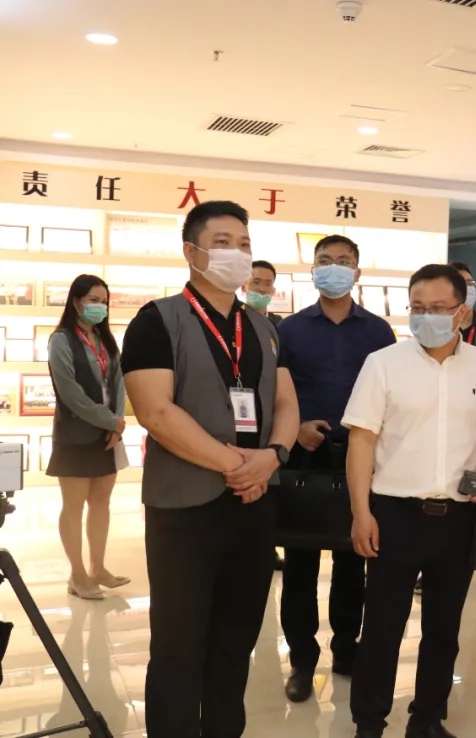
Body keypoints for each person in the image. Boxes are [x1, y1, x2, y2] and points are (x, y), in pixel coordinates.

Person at [121, 200, 300, 738]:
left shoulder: (264, 328)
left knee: (235, 640)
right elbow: (155, 411)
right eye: (222, 243)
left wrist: (272, 456)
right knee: (178, 645)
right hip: (184, 508)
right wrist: (236, 465)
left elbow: (286, 403)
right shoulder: (157, 320)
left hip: (253, 506)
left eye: (244, 244)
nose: (236, 253)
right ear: (192, 252)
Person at [344, 264, 476, 738]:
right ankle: (369, 723)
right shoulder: (383, 363)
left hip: (458, 518)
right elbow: (361, 441)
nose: (426, 317)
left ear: (461, 311)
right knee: (382, 627)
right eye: (417, 307)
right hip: (394, 515)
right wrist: (361, 512)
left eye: (438, 308)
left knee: (444, 628)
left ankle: (427, 719)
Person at [276, 235, 397, 703]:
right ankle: (302, 660)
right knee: (300, 564)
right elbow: (275, 391)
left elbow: (390, 395)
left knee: (353, 560)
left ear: (357, 272)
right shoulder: (289, 330)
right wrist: (297, 426)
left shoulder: (378, 332)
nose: (333, 268)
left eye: (343, 261)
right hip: (304, 457)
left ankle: (347, 650)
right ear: (312, 270)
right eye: (324, 261)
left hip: (358, 461)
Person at [414, 261, 476, 597]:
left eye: (470, 283)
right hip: (441, 427)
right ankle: (425, 569)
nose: (468, 287)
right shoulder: (399, 358)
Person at [46, 274, 129, 600]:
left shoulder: (105, 339)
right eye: (94, 300)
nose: (100, 306)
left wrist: (116, 423)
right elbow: (70, 393)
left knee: (101, 502)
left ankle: (98, 568)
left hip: (108, 434)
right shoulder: (61, 340)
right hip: (76, 435)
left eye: (104, 301)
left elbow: (119, 383)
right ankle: (78, 575)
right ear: (76, 302)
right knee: (74, 505)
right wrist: (110, 420)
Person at [244, 260, 285, 570]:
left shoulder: (280, 326)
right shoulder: (233, 320)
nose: (261, 287)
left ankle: (267, 547)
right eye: (255, 281)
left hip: (275, 416)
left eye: (267, 283)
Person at [246, 259, 282, 326]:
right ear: (243, 287)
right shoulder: (234, 319)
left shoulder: (278, 322)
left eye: (268, 284)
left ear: (273, 291)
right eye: (256, 282)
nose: (262, 289)